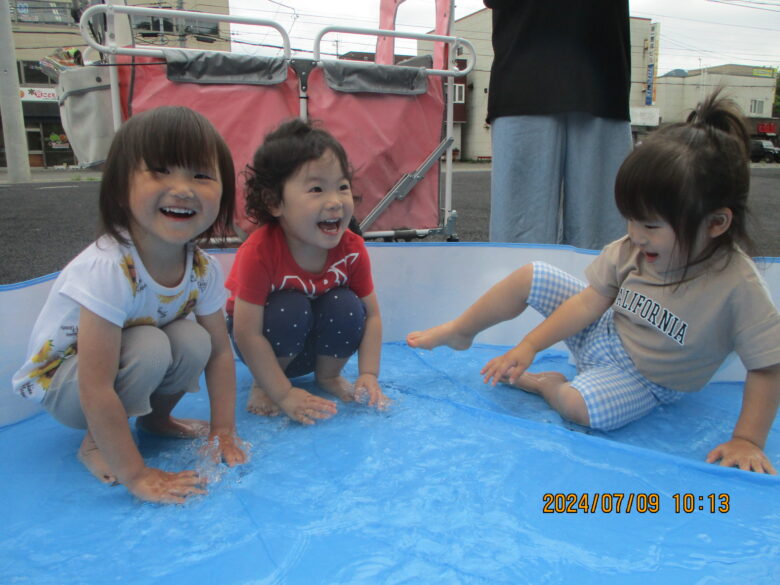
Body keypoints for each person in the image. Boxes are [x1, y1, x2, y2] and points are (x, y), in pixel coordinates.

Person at [408, 92, 780, 474]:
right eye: (630, 220)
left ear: (716, 224)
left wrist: (748, 439)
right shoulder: (635, 249)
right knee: (532, 274)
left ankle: (544, 385)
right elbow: (589, 303)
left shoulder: (738, 286)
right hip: (601, 332)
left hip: (643, 382)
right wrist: (529, 345)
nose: (635, 235)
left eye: (650, 225)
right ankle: (460, 330)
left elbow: (767, 367)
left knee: (582, 409)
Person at [12, 106, 248, 503]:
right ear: (121, 187)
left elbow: (221, 355)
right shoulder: (110, 268)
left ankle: (155, 421)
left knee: (195, 339)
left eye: (201, 175)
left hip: (114, 369)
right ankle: (94, 444)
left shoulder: (203, 269)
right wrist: (136, 475)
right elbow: (96, 383)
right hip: (64, 385)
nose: (184, 188)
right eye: (160, 171)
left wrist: (222, 430)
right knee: (150, 345)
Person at [225, 118, 388, 425]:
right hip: (266, 345)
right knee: (290, 307)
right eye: (316, 189)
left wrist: (368, 373)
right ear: (275, 203)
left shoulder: (351, 248)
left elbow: (373, 315)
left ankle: (328, 376)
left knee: (347, 305)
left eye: (342, 186)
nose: (335, 201)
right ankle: (266, 383)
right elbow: (246, 333)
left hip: (316, 346)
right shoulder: (260, 252)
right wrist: (283, 393)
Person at [484, 0, 633, 249]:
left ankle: (598, 288)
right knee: (517, 243)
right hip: (527, 76)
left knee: (603, 247)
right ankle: (522, 288)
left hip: (600, 76)